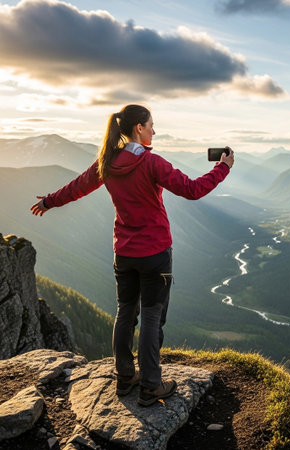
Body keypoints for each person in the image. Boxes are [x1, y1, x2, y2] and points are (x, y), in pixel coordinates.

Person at [30, 104, 234, 406]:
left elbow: (77, 188)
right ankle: (152, 384)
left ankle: (125, 376)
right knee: (152, 317)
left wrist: (48, 201)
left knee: (125, 313)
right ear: (139, 128)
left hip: (124, 253)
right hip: (155, 254)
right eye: (152, 125)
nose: (154, 130)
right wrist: (223, 167)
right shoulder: (152, 163)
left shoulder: (107, 162)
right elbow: (192, 189)